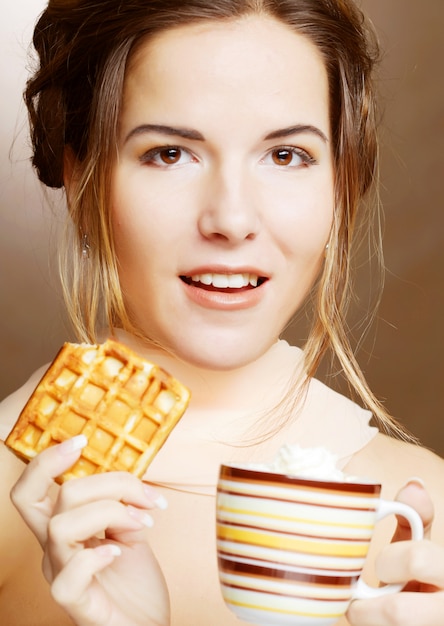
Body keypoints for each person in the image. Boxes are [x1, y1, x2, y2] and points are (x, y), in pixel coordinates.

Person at [1, 0, 444, 624]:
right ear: (82, 178)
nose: (232, 220)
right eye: (170, 154)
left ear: (342, 184)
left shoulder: (427, 516)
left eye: (286, 155)